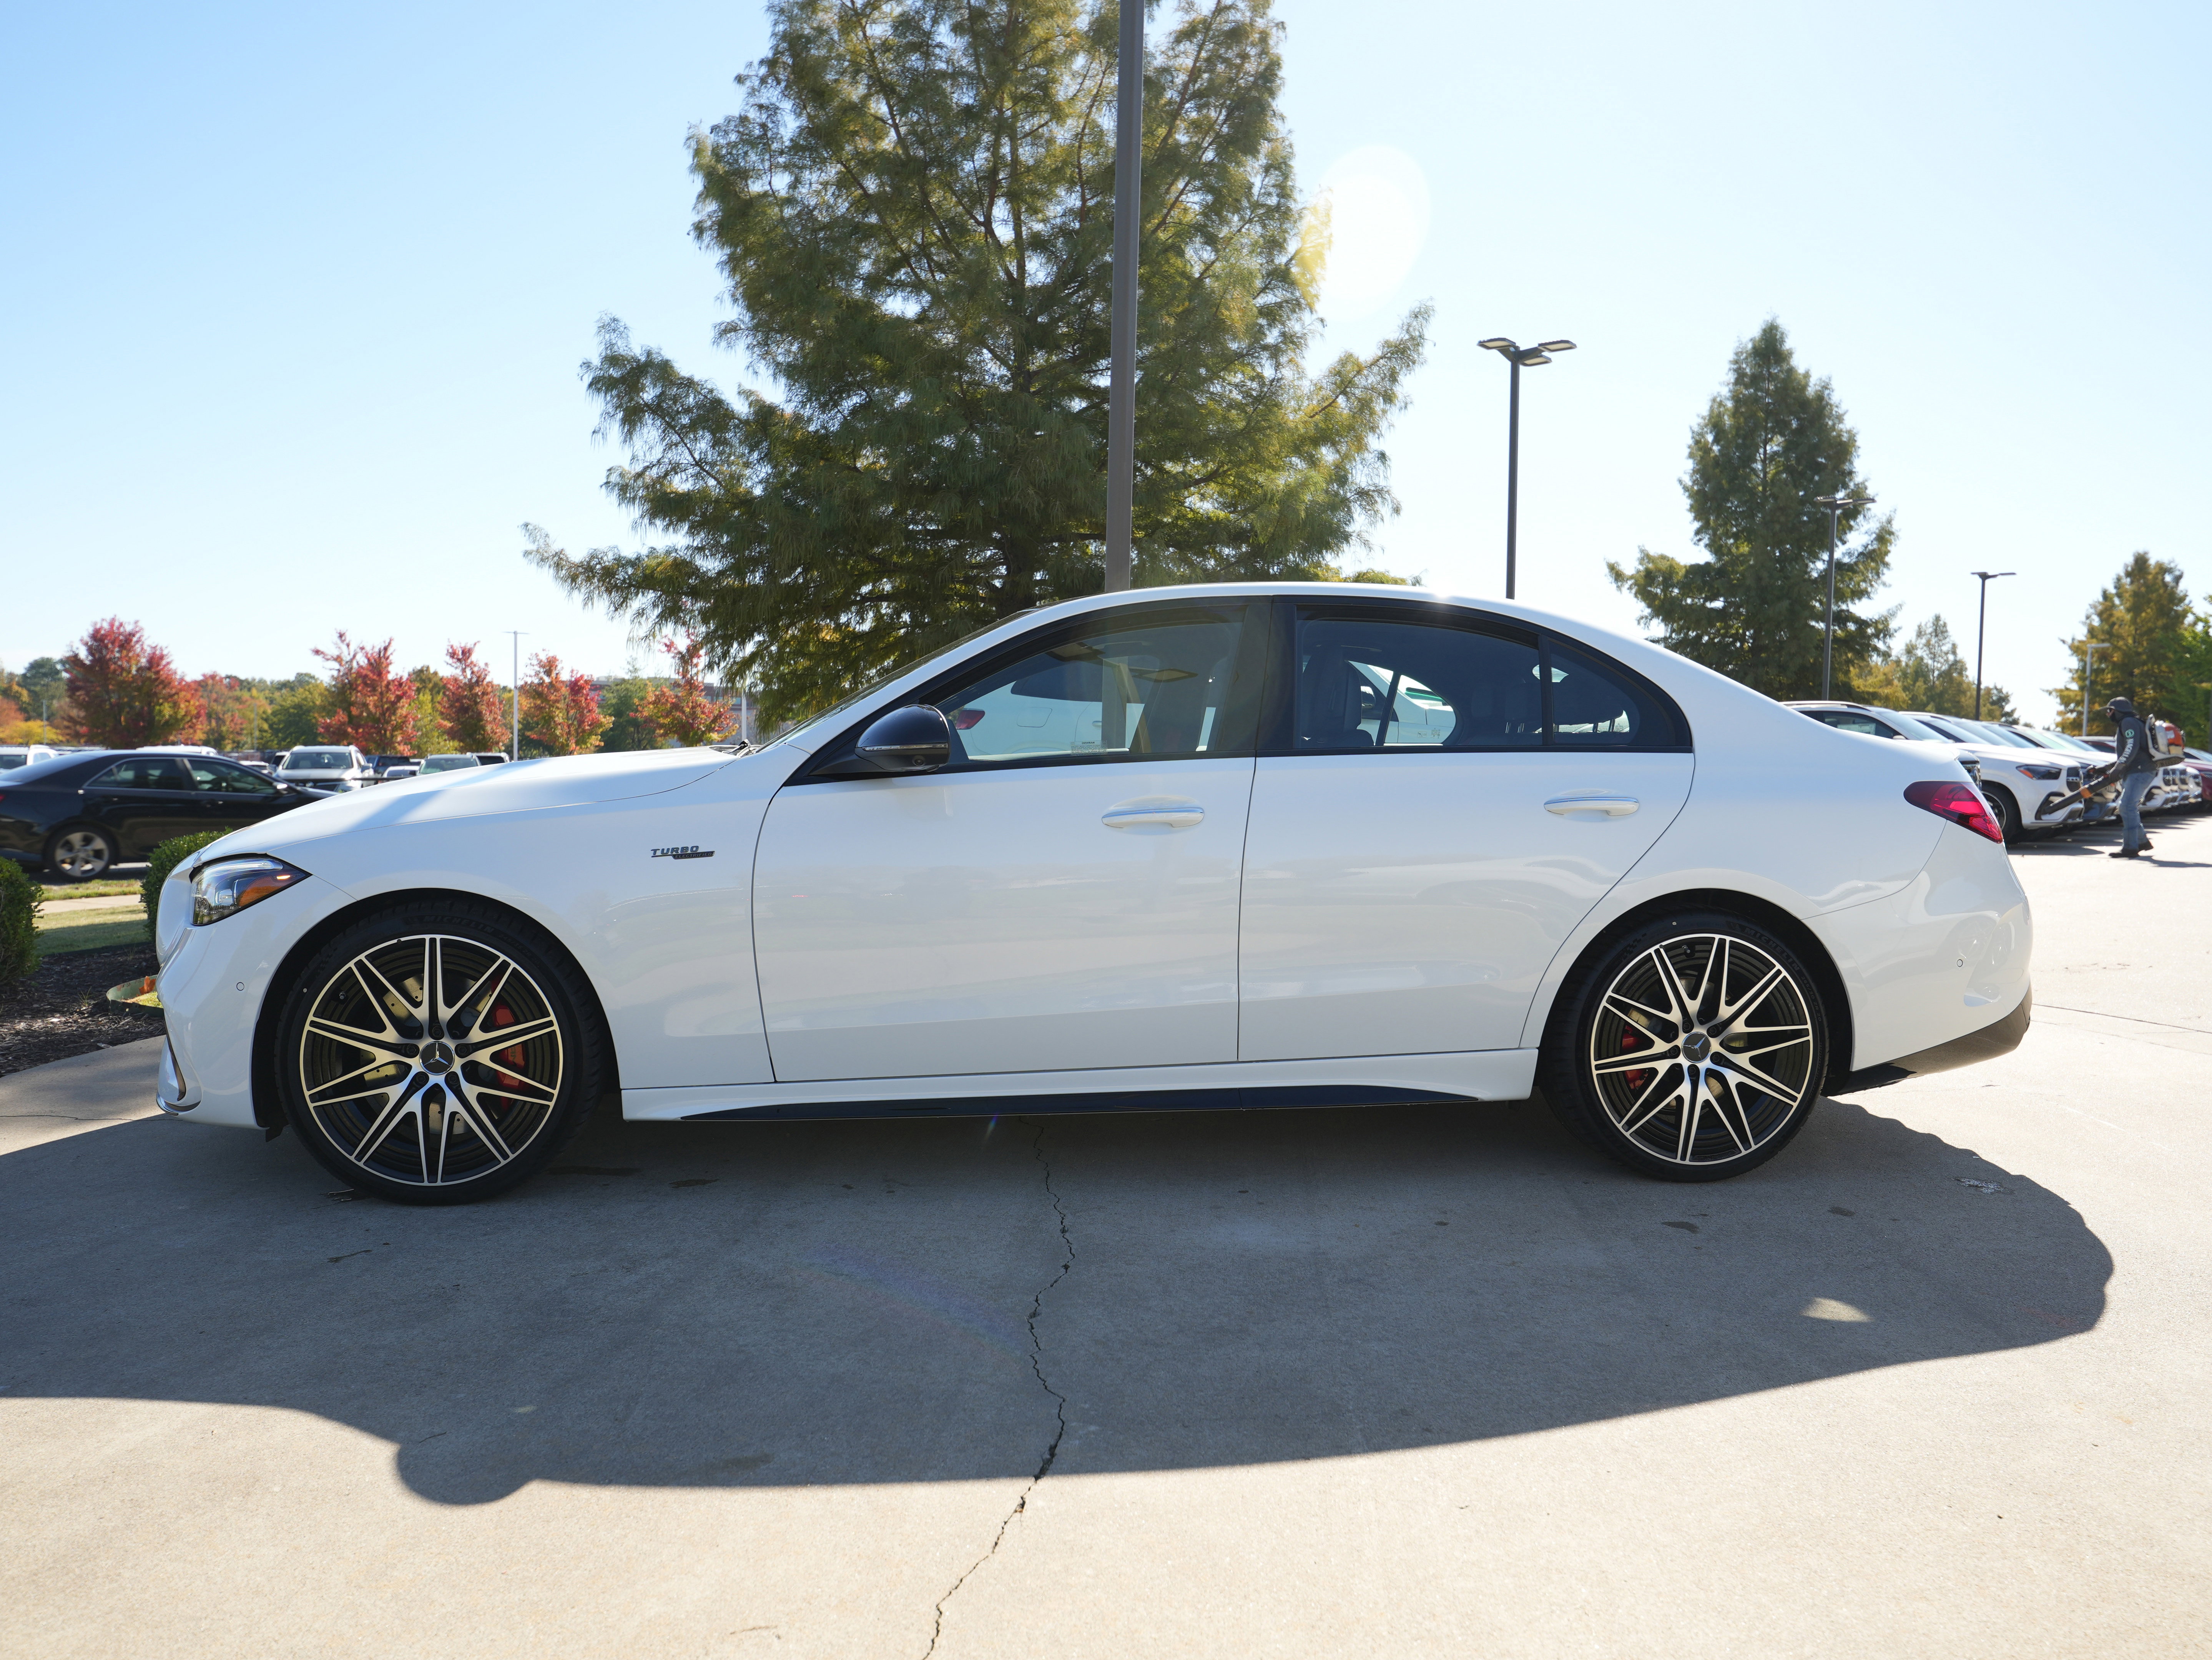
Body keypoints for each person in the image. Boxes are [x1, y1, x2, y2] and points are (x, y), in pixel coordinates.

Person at [2104, 696, 2157, 859]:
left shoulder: (2128, 722)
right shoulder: (2133, 722)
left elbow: (2132, 747)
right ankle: (2141, 842)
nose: (2108, 715)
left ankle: (2130, 848)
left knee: (2127, 806)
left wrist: (2119, 768)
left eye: (2109, 711)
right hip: (2138, 770)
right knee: (2127, 807)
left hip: (2139, 771)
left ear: (2116, 711)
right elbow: (2132, 751)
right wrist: (2108, 768)